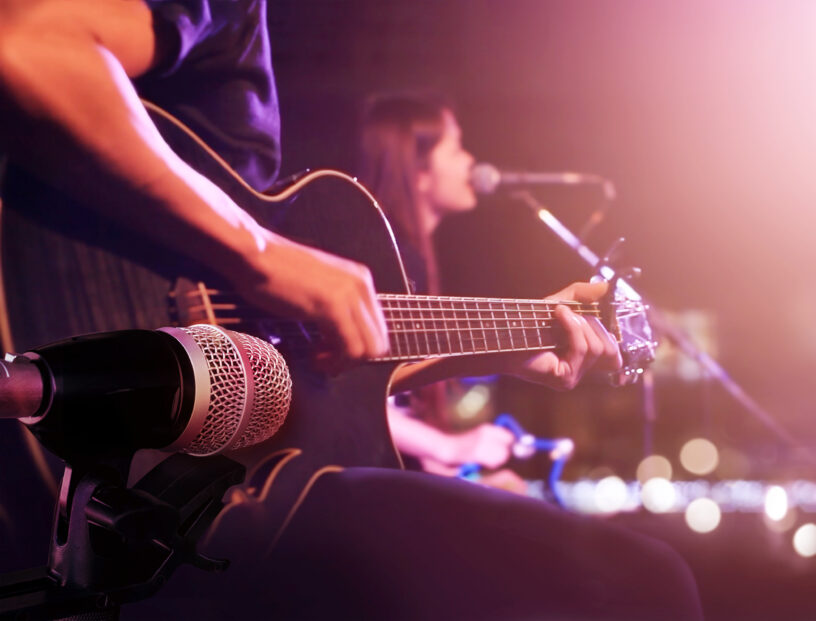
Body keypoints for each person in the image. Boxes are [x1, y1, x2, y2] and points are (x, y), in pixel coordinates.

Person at [0, 2, 702, 618]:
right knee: (643, 580)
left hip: (165, 498)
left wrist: (509, 342)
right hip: (150, 463)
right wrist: (265, 254)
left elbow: (319, 369)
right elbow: (30, 45)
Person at [358, 92, 523, 491]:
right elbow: (354, 395)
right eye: (456, 148)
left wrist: (443, 469)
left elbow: (390, 401)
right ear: (418, 173)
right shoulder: (381, 257)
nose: (471, 161)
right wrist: (450, 448)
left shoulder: (405, 255)